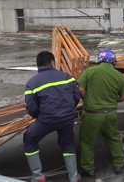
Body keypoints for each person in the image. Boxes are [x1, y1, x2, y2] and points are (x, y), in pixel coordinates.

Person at [23, 51, 81, 182]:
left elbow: (32, 108)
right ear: (53, 63)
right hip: (68, 118)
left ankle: (38, 177)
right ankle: (74, 176)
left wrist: (40, 117)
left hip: (47, 119)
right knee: (67, 143)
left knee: (29, 139)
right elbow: (76, 97)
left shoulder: (31, 83)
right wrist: (68, 110)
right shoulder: (68, 77)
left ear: (37, 66)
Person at [77, 50, 124, 177]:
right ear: (113, 62)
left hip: (92, 115)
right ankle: (119, 164)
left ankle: (88, 168)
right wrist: (112, 100)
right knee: (114, 139)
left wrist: (86, 99)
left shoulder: (90, 71)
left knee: (87, 142)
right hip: (111, 114)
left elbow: (80, 88)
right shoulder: (119, 75)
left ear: (99, 60)